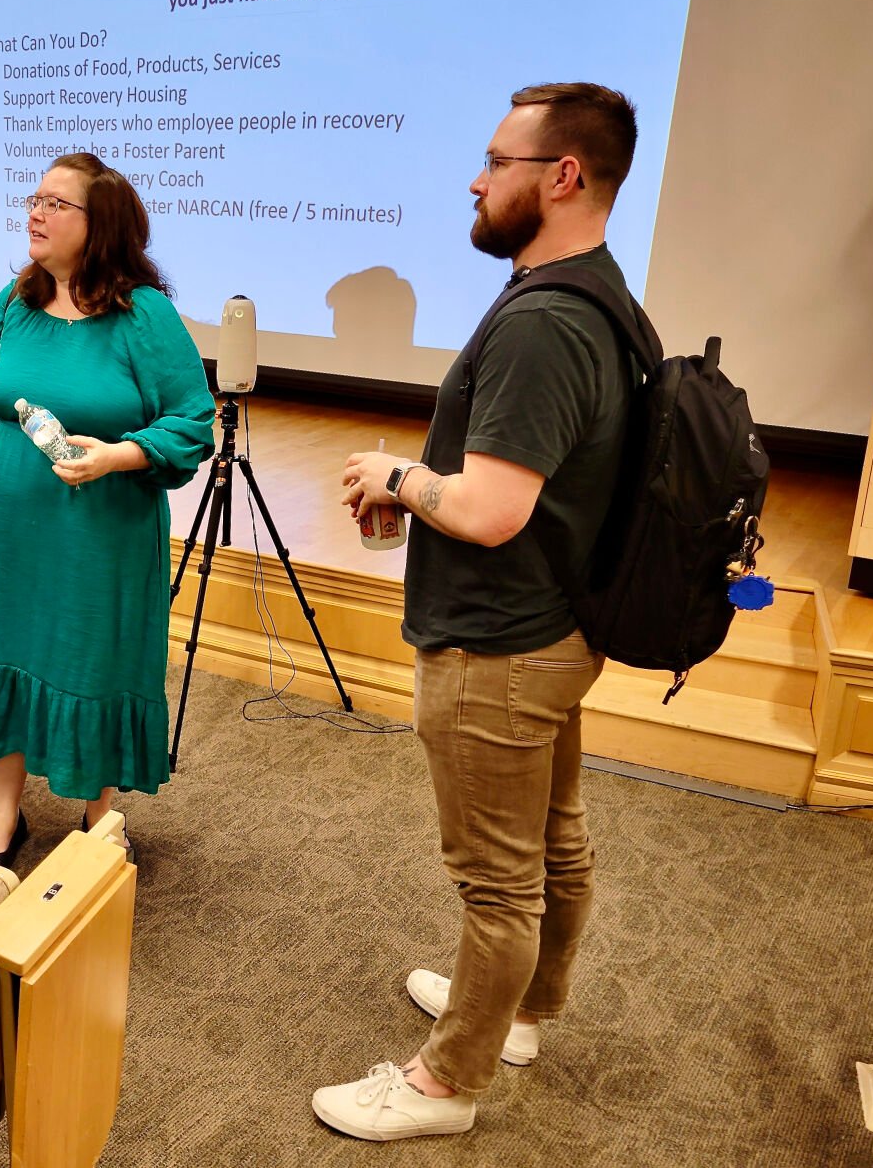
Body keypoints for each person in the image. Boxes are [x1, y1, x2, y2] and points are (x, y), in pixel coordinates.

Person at [318, 83, 641, 1142]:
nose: (475, 175)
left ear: (562, 176)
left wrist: (397, 473)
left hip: (500, 644)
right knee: (554, 844)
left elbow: (492, 510)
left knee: (499, 885)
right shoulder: (599, 295)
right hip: (557, 628)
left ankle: (443, 1084)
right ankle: (522, 1014)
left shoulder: (547, 323)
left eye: (498, 159)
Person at [0, 152, 215, 866]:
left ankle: (98, 818)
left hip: (100, 530)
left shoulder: (143, 314)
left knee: (94, 660)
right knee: (7, 654)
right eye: (36, 198)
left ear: (101, 223)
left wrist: (118, 455)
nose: (36, 212)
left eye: (57, 203)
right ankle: (4, 814)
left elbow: (191, 422)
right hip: (7, 523)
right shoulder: (15, 301)